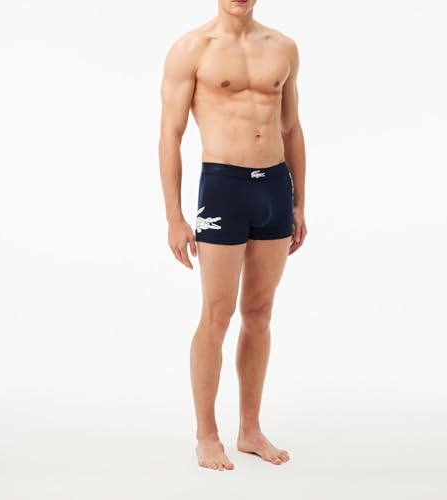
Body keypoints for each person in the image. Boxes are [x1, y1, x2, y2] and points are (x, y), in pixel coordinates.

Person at [158, 0, 307, 471]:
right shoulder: (191, 49)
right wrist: (174, 216)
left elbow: (291, 127)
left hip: (274, 187)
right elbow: (170, 134)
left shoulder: (283, 47)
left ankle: (250, 429)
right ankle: (206, 434)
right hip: (223, 188)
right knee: (217, 315)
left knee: (259, 313)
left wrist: (299, 202)